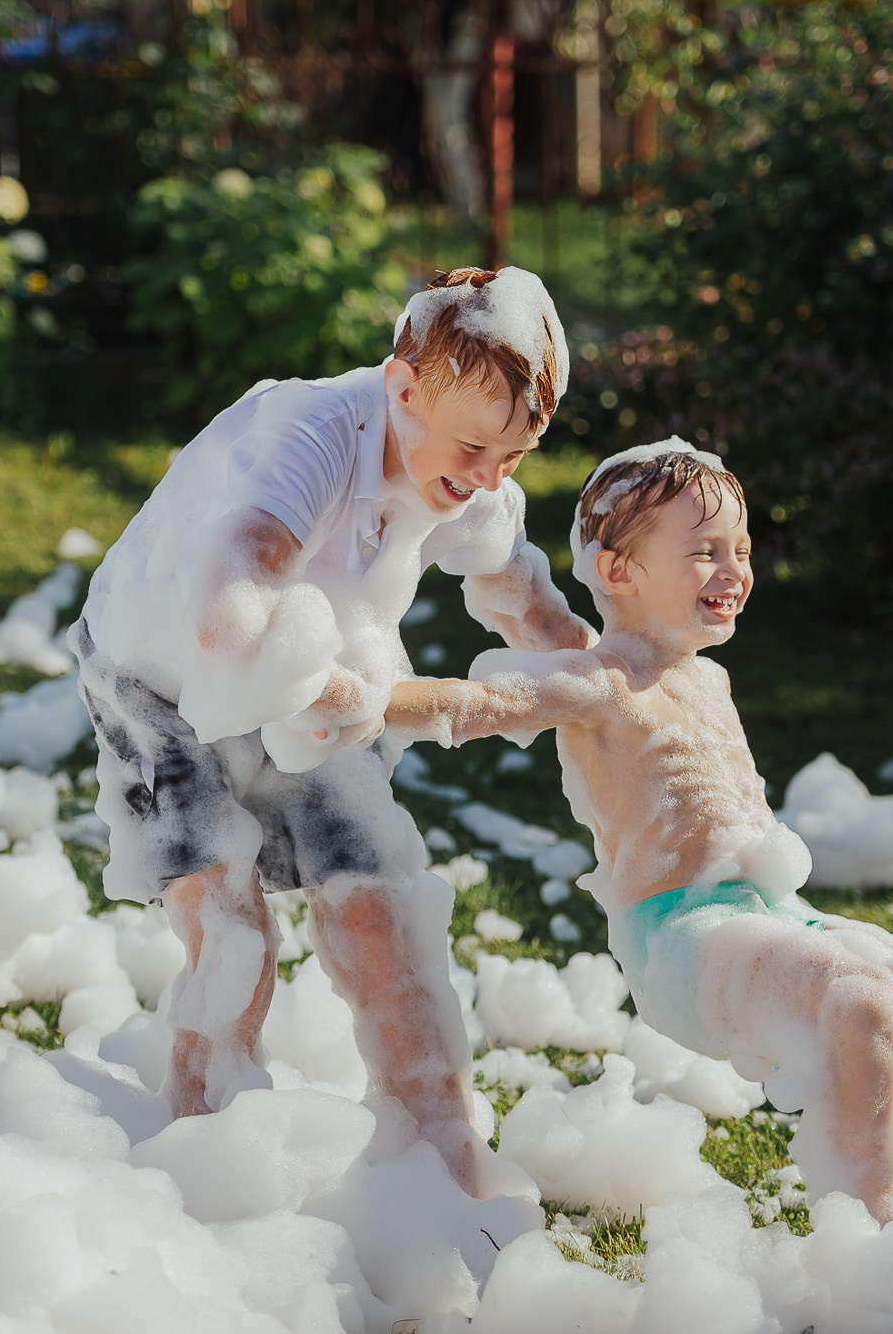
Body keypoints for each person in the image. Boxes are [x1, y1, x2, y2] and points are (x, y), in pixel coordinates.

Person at [385, 440, 893, 1221]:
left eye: (742, 549)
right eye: (704, 551)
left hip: (774, 916)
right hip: (680, 938)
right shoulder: (602, 682)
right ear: (619, 572)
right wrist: (348, 697)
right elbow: (478, 702)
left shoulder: (706, 675)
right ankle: (877, 1248)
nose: (734, 569)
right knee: (868, 1008)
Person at [74, 266, 593, 1197]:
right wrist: (324, 683)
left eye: (512, 458)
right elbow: (227, 610)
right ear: (402, 391)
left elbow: (520, 592)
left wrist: (595, 674)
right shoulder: (308, 441)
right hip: (150, 680)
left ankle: (439, 1149)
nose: (485, 478)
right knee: (234, 934)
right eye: (473, 449)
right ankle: (199, 1158)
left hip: (313, 674)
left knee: (379, 895)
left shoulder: (470, 472)